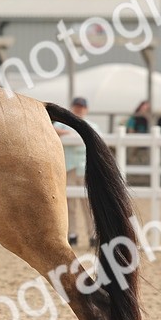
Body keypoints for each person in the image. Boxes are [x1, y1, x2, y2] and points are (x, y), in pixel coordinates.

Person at [54, 97, 101, 247]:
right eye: (77, 107)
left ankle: (92, 234)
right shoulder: (62, 125)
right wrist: (69, 134)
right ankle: (72, 234)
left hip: (84, 168)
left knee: (87, 203)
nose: (79, 109)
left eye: (82, 107)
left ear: (86, 109)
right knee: (69, 204)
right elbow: (52, 129)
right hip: (68, 168)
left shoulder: (92, 125)